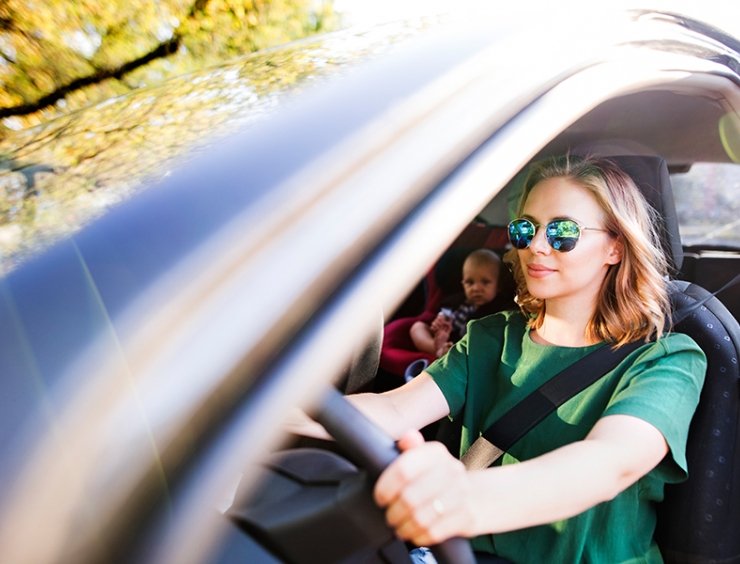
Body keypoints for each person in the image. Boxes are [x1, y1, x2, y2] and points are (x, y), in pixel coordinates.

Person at [294, 155, 706, 563]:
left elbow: (607, 464)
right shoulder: (490, 338)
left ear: (615, 247)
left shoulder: (667, 360)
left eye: (563, 231)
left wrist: (461, 500)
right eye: (525, 229)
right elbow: (395, 409)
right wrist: (275, 412)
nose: (536, 246)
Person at [409, 249, 502, 359]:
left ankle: (448, 353)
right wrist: (438, 324)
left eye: (485, 282)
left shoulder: (497, 311)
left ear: (498, 286)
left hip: (466, 348)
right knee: (417, 327)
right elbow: (443, 315)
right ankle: (437, 349)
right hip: (444, 339)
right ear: (462, 283)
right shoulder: (456, 301)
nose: (476, 288)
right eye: (470, 282)